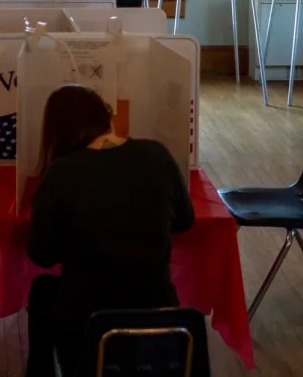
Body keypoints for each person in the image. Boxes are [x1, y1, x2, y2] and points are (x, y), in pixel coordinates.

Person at [26, 84, 194, 376]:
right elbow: (184, 221)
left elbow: (41, 254)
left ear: (56, 132)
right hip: (162, 321)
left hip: (88, 328)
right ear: (106, 116)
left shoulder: (61, 173)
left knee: (43, 291)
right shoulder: (157, 154)